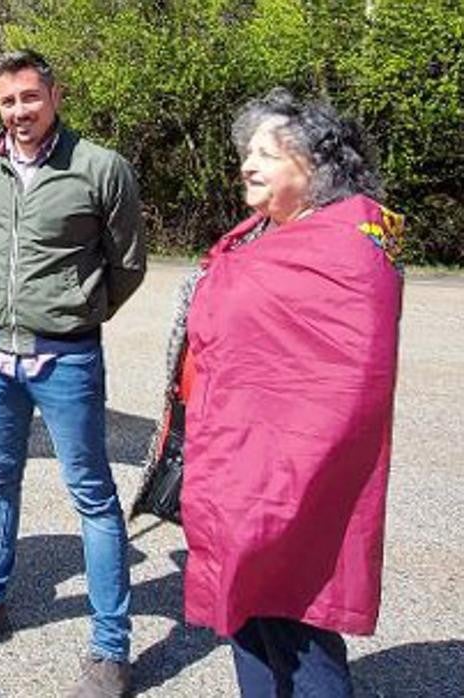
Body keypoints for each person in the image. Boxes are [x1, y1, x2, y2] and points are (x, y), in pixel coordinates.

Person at [0, 49, 145, 697]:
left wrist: (72, 314)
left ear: (55, 95)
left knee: (92, 494)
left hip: (66, 357)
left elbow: (126, 262)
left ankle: (110, 646)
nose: (19, 112)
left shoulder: (100, 168)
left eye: (29, 97)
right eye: (7, 101)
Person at [177, 88, 402, 696]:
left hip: (292, 474)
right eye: (247, 151)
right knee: (247, 610)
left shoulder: (347, 251)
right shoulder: (261, 238)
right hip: (240, 458)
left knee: (296, 620)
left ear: (316, 168)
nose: (247, 164)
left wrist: (285, 480)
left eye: (267, 155)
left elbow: (346, 382)